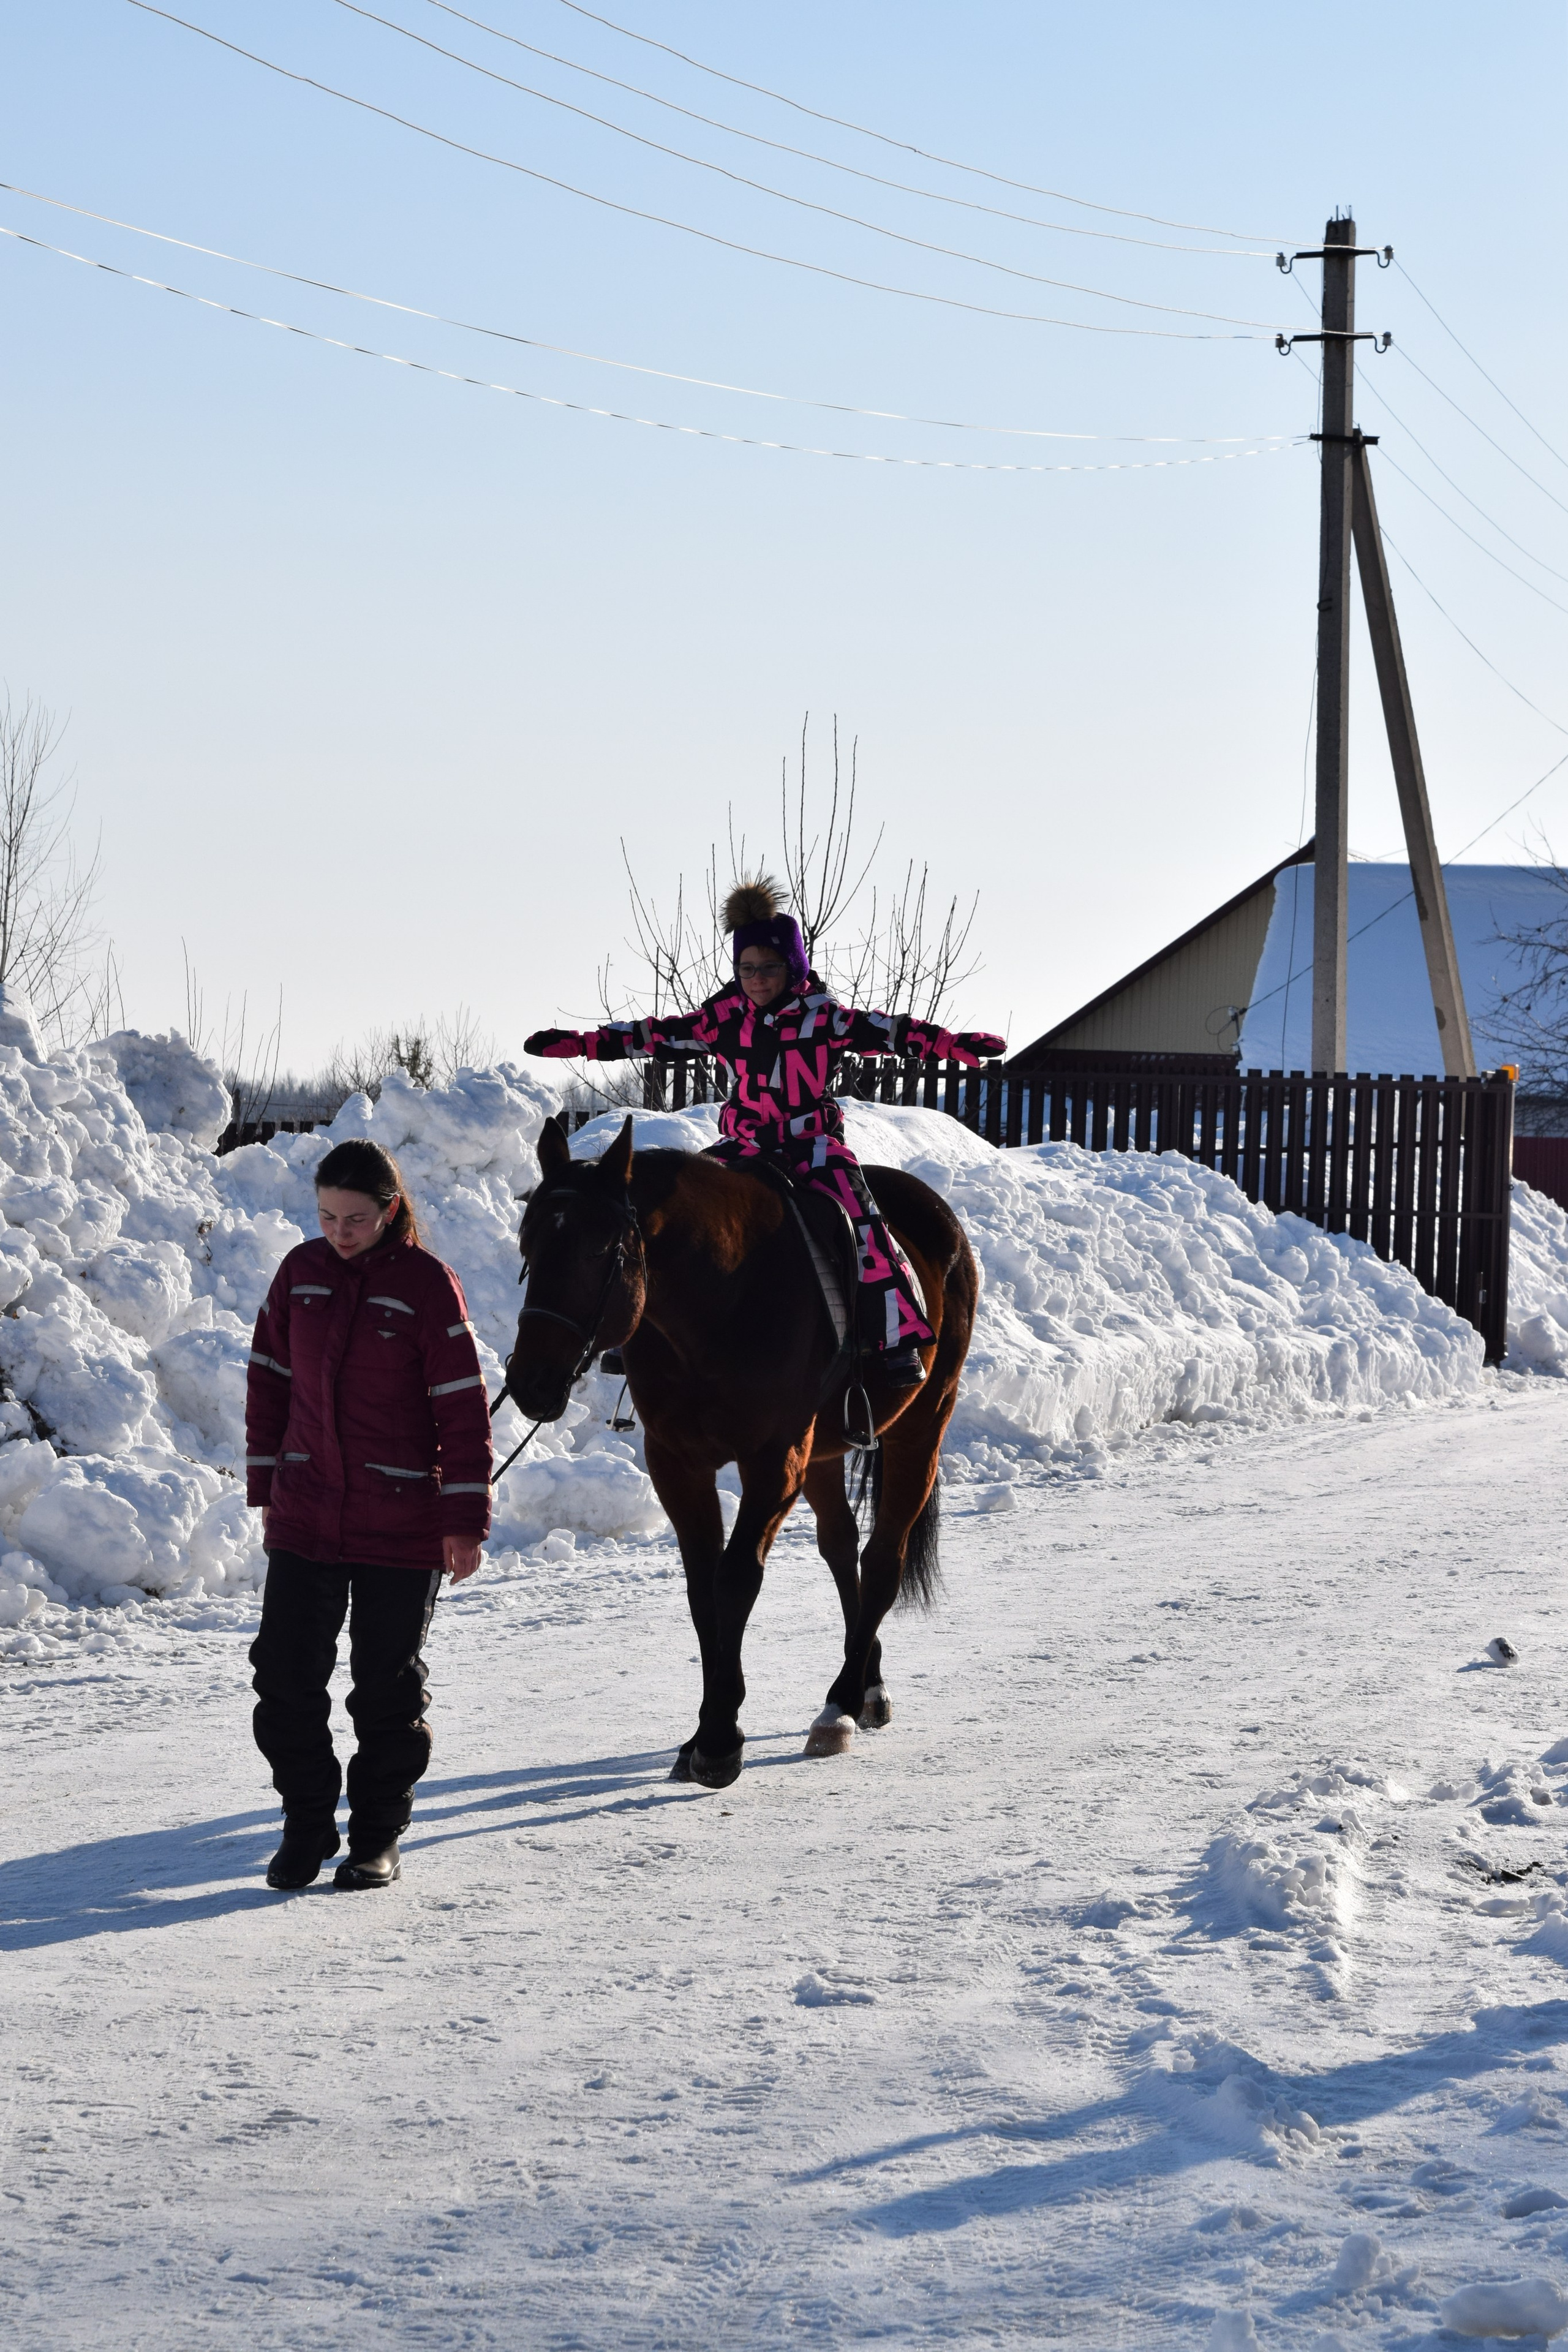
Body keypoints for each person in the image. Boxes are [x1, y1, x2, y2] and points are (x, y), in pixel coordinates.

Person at [524, 877, 1006, 1382]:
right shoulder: (723, 1019)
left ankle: (895, 1334)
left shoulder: (824, 1017)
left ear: (792, 967)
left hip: (809, 1145)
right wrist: (579, 1043)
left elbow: (892, 1033)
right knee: (673, 1212)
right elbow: (653, 1036)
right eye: (747, 968)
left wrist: (954, 1045)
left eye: (770, 967)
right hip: (743, 1144)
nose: (757, 979)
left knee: (861, 1219)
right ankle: (641, 1337)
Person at [244, 1139, 492, 1893]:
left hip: (402, 1520)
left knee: (385, 1688)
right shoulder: (301, 1273)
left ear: (390, 1211)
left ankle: (378, 1834)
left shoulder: (427, 1285)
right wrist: (267, 1485)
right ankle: (307, 1821)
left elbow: (462, 1408)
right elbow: (269, 1379)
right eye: (326, 1216)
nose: (339, 1232)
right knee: (283, 1678)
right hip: (306, 1511)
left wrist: (464, 1521)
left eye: (354, 1218)